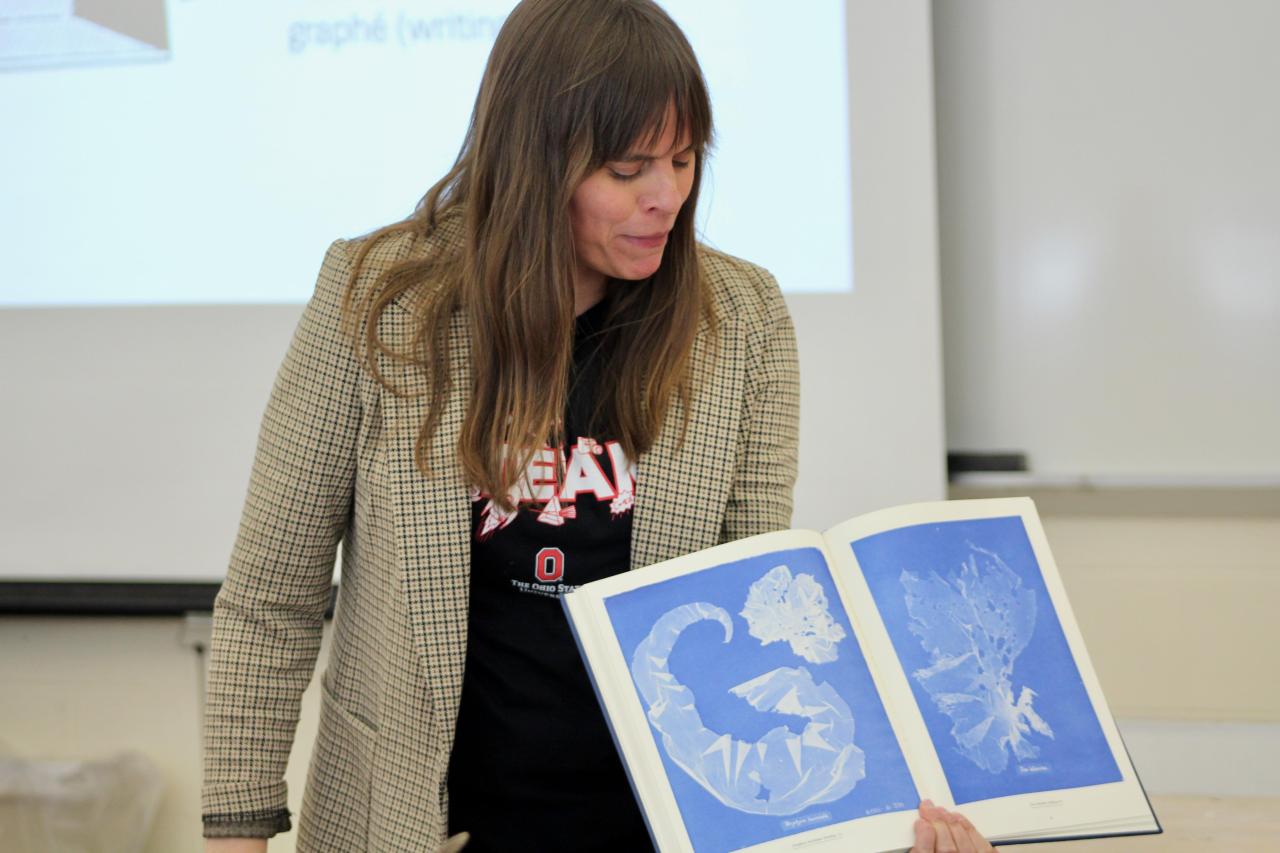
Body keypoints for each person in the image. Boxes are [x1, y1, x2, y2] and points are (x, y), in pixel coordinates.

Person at [201, 1, 994, 850]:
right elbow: (270, 600)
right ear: (534, 161)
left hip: (652, 827)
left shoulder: (741, 319)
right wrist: (237, 828)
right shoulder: (377, 299)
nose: (667, 198)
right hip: (413, 823)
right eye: (627, 169)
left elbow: (757, 621)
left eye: (685, 160)